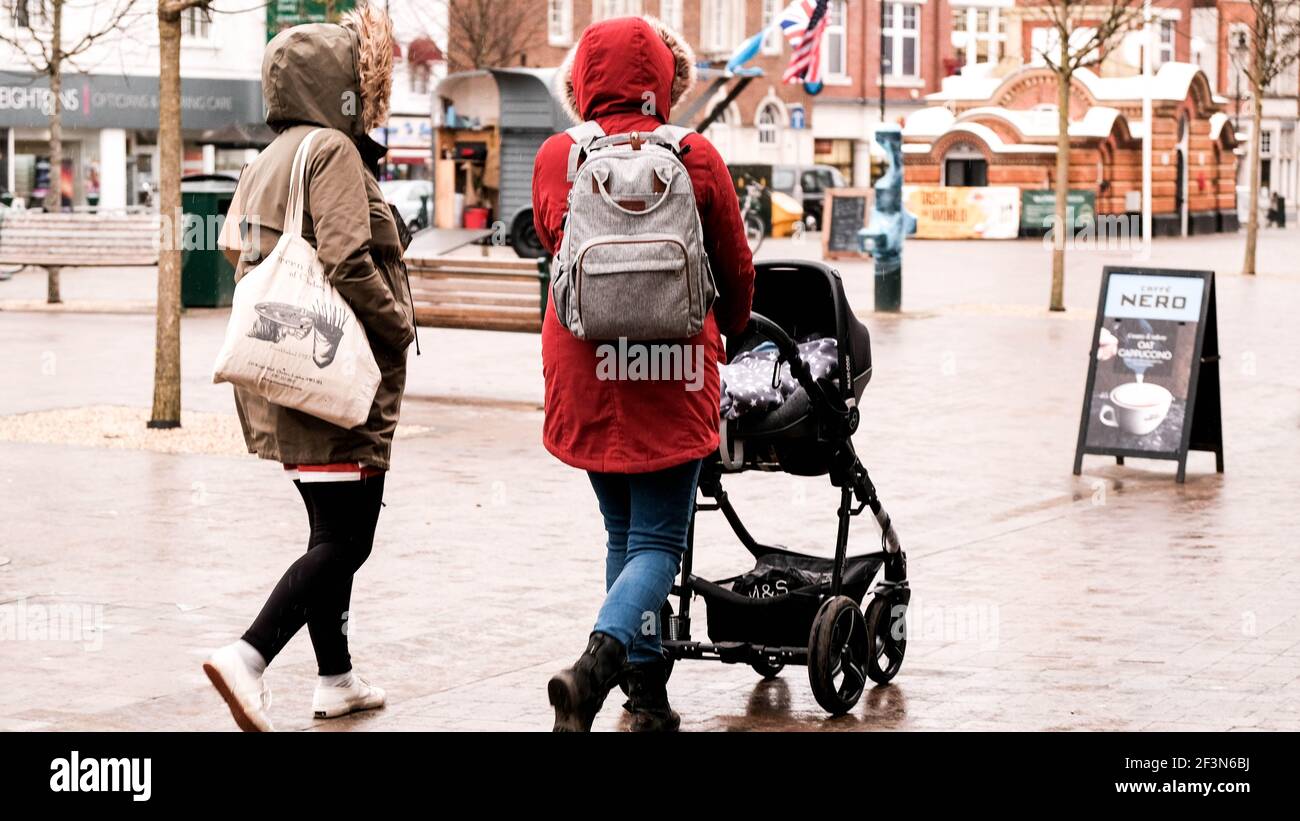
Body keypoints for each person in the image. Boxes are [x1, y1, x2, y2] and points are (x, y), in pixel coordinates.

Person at [531, 15, 756, 732]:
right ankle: (595, 668)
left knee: (622, 533)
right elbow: (734, 264)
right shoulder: (695, 153)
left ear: (582, 79)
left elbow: (553, 239)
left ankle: (648, 696)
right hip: (673, 365)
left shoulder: (558, 155)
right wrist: (735, 330)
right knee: (659, 541)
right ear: (663, 76)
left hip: (586, 363)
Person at [204, 5, 415, 732]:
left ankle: (336, 678)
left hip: (284, 379)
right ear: (339, 85)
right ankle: (248, 655)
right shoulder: (331, 151)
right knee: (346, 543)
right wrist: (399, 327)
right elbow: (348, 260)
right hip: (337, 382)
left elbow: (237, 250)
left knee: (328, 534)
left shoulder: (269, 157)